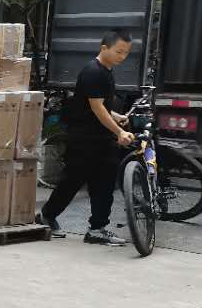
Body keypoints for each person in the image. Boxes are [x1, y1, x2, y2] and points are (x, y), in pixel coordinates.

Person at [37, 29, 135, 246]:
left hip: (101, 139)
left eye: (126, 53)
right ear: (104, 48)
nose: (123, 56)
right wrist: (119, 132)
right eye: (119, 51)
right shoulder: (94, 72)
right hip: (85, 139)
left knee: (104, 186)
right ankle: (46, 216)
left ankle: (97, 229)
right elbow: (97, 108)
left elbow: (101, 106)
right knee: (72, 181)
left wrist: (116, 116)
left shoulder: (106, 71)